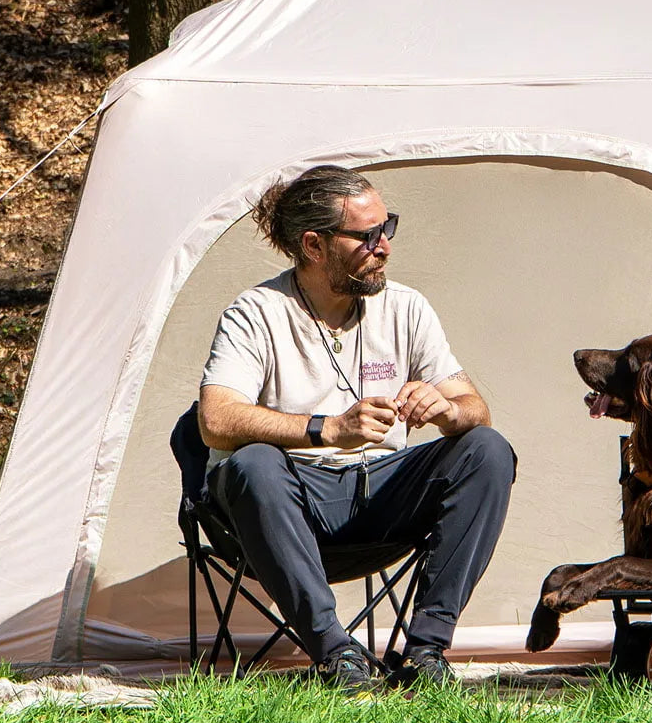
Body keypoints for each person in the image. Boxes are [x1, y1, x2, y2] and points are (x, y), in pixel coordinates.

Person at [198, 165, 516, 693]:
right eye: (367, 235)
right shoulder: (255, 312)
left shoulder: (406, 307)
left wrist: (446, 409)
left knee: (486, 449)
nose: (384, 246)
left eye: (386, 226)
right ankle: (335, 653)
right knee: (253, 461)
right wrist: (329, 429)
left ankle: (426, 652)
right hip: (289, 500)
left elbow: (475, 408)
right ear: (314, 245)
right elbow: (216, 419)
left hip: (384, 496)